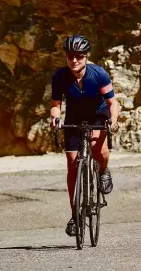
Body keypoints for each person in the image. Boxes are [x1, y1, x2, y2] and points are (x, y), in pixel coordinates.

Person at [50, 35, 119, 237]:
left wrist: (113, 120)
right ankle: (75, 214)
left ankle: (103, 171)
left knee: (101, 150)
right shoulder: (60, 77)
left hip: (98, 114)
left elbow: (112, 102)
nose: (74, 60)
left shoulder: (98, 74)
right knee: (72, 164)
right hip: (74, 117)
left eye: (79, 56)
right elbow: (56, 105)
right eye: (71, 56)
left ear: (86, 57)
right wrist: (55, 118)